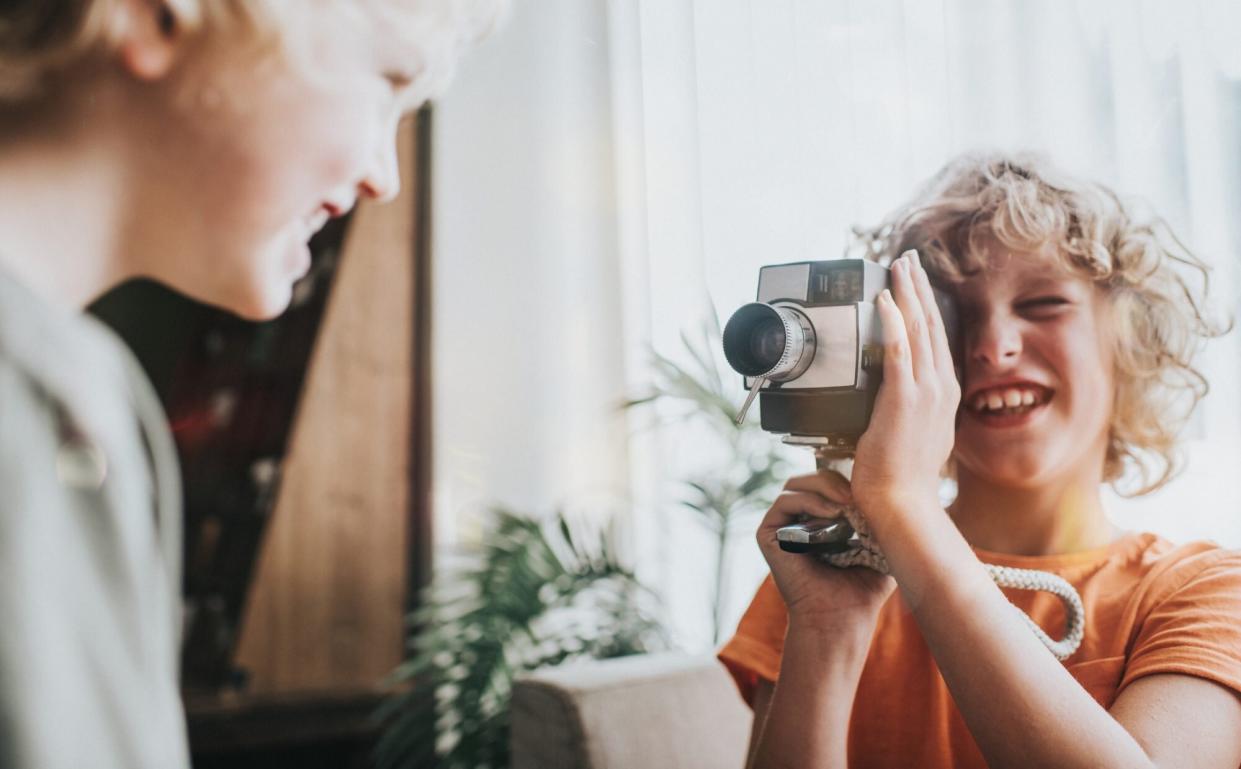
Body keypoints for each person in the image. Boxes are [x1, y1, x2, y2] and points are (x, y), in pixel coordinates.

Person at [0, 1, 500, 767]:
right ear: (154, 17)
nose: (383, 175)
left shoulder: (91, 388)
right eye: (382, 82)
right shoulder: (39, 404)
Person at [719, 153, 1241, 768]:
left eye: (1043, 303)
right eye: (954, 319)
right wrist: (829, 634)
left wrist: (907, 510)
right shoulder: (822, 572)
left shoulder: (1202, 593)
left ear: (1128, 340)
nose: (994, 347)